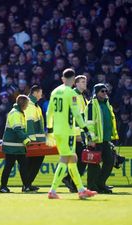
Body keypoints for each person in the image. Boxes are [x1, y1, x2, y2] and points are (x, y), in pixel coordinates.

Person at [46, 68, 97, 199]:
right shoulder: (71, 94)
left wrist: (50, 130)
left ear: (62, 78)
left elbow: (49, 112)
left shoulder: (55, 92)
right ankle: (52, 190)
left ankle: (80, 189)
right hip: (68, 131)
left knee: (72, 158)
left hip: (57, 131)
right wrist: (86, 130)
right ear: (74, 81)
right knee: (66, 158)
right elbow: (76, 114)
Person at [85, 83, 119, 194]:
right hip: (95, 140)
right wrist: (91, 139)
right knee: (93, 164)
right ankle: (92, 186)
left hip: (105, 139)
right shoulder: (91, 105)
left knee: (109, 161)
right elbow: (89, 124)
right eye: (102, 91)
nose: (105, 93)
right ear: (96, 92)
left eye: (106, 91)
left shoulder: (107, 104)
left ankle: (100, 183)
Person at [0, 95, 31, 193]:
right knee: (10, 167)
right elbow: (17, 129)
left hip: (16, 146)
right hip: (12, 146)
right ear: (23, 104)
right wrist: (26, 140)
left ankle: (26, 186)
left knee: (21, 167)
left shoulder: (18, 113)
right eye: (27, 103)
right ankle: (3, 187)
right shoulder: (16, 113)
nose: (28, 105)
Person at [62, 75, 89, 193]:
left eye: (85, 82)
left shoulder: (82, 96)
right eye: (82, 82)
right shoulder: (74, 95)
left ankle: (69, 180)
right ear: (76, 83)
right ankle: (69, 180)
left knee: (80, 159)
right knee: (80, 158)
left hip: (80, 132)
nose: (85, 84)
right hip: (74, 132)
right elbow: (75, 115)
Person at [24, 85, 46, 192]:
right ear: (35, 93)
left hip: (38, 141)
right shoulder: (30, 105)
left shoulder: (36, 106)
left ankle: (28, 184)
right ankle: (26, 185)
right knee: (31, 163)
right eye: (40, 92)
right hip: (33, 141)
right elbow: (29, 124)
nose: (41, 95)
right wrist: (32, 141)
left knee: (34, 162)